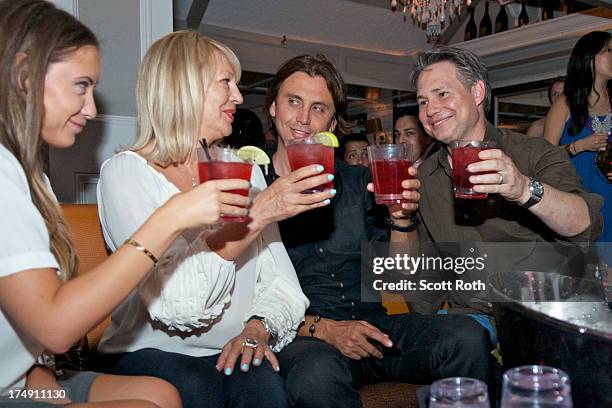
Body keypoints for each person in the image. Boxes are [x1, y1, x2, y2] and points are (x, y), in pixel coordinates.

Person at [0, 1, 249, 406]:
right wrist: (172, 217)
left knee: (162, 395)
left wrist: (44, 386)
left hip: (24, 377)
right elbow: (57, 327)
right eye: (81, 86)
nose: (92, 108)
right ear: (25, 74)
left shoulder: (34, 177)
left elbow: (25, 329)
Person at [95, 32, 333, 408]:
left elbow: (282, 285)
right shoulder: (127, 173)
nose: (239, 97)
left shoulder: (246, 171)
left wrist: (258, 328)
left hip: (230, 348)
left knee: (267, 393)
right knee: (198, 391)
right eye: (226, 83)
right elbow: (176, 305)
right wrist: (261, 211)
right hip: (147, 350)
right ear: (183, 86)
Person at [261, 54, 495, 408]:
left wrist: (402, 219)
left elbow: (400, 274)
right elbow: (244, 297)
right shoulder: (254, 190)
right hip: (305, 337)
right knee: (315, 374)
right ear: (273, 108)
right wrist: (323, 328)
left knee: (466, 336)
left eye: (319, 108)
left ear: (333, 122)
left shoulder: (359, 181)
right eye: (293, 102)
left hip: (375, 326)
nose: (304, 119)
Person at [408, 46, 603, 316]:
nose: (431, 110)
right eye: (422, 101)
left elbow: (585, 222)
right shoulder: (426, 178)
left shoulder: (533, 153)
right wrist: (400, 221)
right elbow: (424, 288)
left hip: (539, 313)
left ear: (477, 92)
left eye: (442, 94)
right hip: (470, 320)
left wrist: (523, 188)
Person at [544, 31, 611, 244]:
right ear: (589, 57)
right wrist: (578, 146)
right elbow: (542, 159)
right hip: (580, 203)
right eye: (609, 51)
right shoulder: (565, 103)